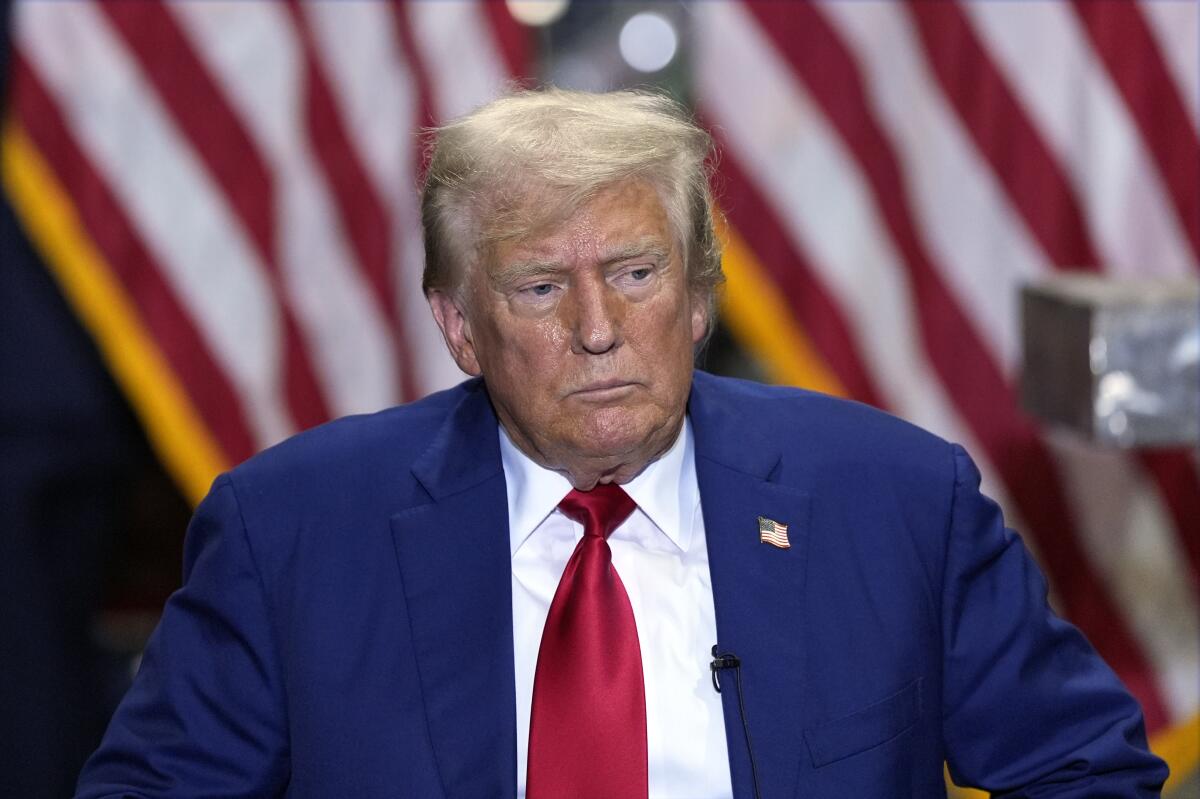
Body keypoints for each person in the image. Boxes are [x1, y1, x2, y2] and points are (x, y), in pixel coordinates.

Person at [76, 88, 1166, 798]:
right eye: (541, 286)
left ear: (697, 297)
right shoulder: (297, 532)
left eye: (636, 274)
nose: (597, 328)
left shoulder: (893, 501)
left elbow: (1086, 773)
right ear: (461, 324)